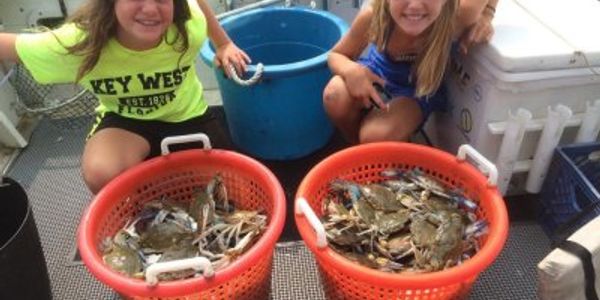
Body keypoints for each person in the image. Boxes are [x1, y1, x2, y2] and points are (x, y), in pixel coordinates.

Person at [0, 0, 251, 194]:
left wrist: (223, 44)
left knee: (233, 188)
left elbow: (197, 6)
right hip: (127, 121)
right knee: (102, 172)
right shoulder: (79, 44)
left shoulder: (186, 26)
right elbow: (11, 46)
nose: (151, 9)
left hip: (187, 114)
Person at [323, 0, 498, 144]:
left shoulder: (460, 17)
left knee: (375, 136)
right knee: (334, 95)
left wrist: (486, 14)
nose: (414, 6)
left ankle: (381, 145)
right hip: (376, 71)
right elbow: (336, 54)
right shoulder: (373, 15)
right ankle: (357, 149)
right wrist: (352, 70)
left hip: (418, 89)